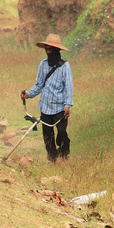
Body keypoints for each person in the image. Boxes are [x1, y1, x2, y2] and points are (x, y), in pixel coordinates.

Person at [21, 34, 73, 162]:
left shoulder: (65, 66)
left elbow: (69, 87)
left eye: (51, 49)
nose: (48, 51)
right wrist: (28, 94)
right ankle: (52, 160)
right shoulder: (43, 64)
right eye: (47, 49)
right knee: (47, 136)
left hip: (60, 107)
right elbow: (39, 85)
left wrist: (68, 105)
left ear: (57, 50)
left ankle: (64, 156)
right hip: (45, 107)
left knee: (62, 133)